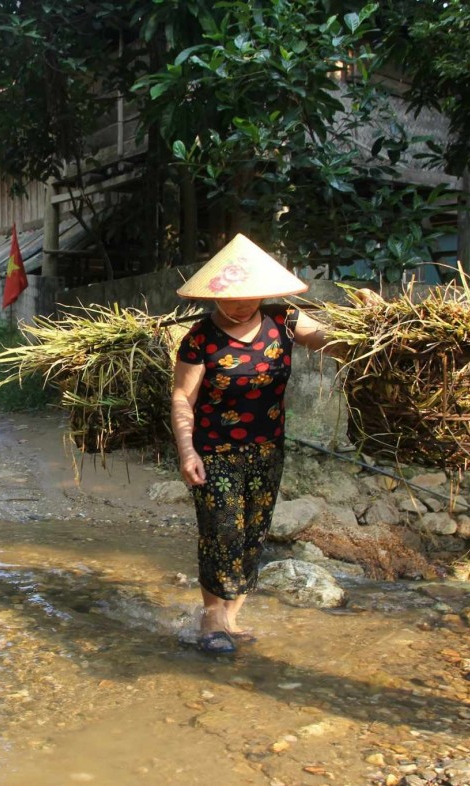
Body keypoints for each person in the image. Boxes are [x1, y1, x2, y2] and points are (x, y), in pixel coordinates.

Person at [170, 234, 378, 654]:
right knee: (221, 531)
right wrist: (187, 451)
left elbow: (339, 344)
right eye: (231, 297)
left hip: (267, 449)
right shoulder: (200, 338)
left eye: (250, 296)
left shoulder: (285, 321)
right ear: (215, 294)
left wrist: (373, 321)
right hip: (215, 451)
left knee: (253, 533)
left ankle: (232, 618)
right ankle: (212, 617)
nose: (241, 304)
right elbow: (182, 397)